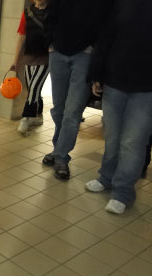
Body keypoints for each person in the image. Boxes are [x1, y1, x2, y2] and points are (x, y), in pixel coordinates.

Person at [85, 0, 152, 214]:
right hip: (114, 81)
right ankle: (106, 177)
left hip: (146, 89)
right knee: (112, 137)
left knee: (133, 142)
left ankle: (123, 192)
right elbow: (105, 37)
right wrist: (97, 74)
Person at [42, 0, 111, 180]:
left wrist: (93, 49)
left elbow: (104, 25)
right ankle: (58, 149)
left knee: (72, 112)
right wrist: (51, 43)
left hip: (84, 56)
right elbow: (50, 15)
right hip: (58, 52)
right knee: (58, 109)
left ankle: (62, 157)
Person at [11, 0, 50, 135]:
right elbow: (22, 36)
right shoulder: (27, 12)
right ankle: (38, 115)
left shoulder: (53, 10)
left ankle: (25, 118)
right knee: (32, 88)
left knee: (34, 87)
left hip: (46, 56)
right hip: (28, 55)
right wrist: (16, 60)